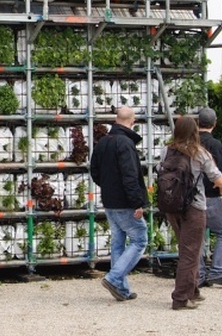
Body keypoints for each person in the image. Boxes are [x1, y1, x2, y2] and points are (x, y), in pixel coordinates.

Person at [162, 115, 222, 310]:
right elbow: (218, 178)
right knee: (191, 252)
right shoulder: (199, 152)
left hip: (171, 205)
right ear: (195, 130)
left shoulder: (167, 150)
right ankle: (180, 298)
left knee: (186, 248)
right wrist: (221, 189)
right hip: (194, 206)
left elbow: (159, 170)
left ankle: (193, 290)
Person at [89, 106, 148, 302]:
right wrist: (137, 202)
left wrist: (108, 186)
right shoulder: (125, 144)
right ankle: (114, 278)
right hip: (125, 202)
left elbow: (94, 171)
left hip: (109, 201)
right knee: (140, 239)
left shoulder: (103, 142)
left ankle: (121, 288)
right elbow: (130, 176)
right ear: (132, 121)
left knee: (118, 242)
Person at [196, 107, 222, 287]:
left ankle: (198, 274)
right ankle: (217, 271)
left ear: (197, 123)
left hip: (190, 197)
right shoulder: (215, 145)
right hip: (212, 195)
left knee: (196, 236)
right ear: (215, 124)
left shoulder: (188, 143)